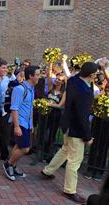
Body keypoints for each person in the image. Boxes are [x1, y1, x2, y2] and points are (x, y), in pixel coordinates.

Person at [41, 62, 99, 204]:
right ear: (91, 75)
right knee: (75, 160)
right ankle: (70, 190)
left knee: (65, 150)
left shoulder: (73, 80)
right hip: (76, 129)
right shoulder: (84, 91)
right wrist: (87, 136)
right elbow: (82, 115)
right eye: (95, 74)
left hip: (67, 124)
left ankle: (47, 171)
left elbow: (73, 77)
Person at [3, 66, 40, 181]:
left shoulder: (31, 89)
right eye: (37, 74)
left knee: (19, 146)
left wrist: (32, 124)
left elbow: (30, 108)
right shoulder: (20, 89)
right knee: (25, 148)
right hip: (21, 123)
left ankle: (13, 166)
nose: (39, 77)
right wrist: (17, 126)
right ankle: (8, 164)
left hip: (27, 124)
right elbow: (14, 108)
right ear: (31, 76)